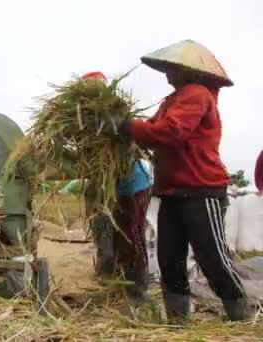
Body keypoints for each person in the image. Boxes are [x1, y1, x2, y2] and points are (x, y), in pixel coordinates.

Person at [118, 39, 250, 322]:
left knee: (212, 258)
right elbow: (154, 130)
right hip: (172, 191)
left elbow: (171, 132)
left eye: (171, 67)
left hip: (201, 189)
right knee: (169, 260)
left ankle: (241, 315)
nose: (167, 73)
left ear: (185, 69)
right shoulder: (173, 100)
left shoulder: (197, 94)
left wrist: (129, 127)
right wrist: (130, 128)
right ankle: (178, 322)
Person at [80, 71, 154, 305]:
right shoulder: (83, 123)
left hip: (133, 183)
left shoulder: (118, 112)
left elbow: (130, 140)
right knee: (105, 232)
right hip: (104, 186)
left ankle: (137, 290)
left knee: (131, 234)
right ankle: (111, 279)